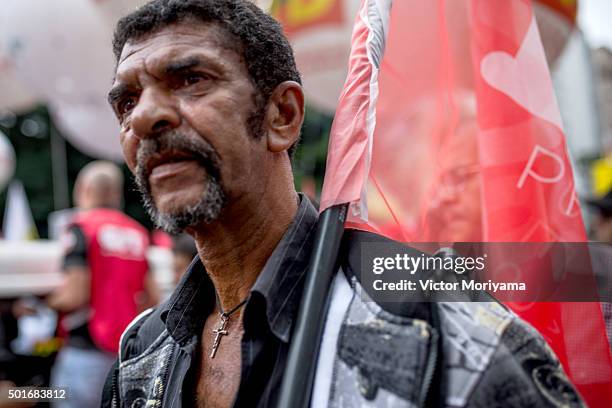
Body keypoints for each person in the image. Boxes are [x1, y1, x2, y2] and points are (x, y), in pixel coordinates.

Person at [102, 1, 584, 407]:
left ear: (282, 116)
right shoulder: (141, 353)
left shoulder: (434, 325)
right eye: (126, 102)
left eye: (190, 80)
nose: (144, 117)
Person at [47, 161, 158, 407]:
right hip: (126, 353)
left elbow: (75, 295)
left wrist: (41, 300)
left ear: (84, 189)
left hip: (85, 349)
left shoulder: (80, 228)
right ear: (116, 194)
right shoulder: (137, 232)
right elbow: (153, 298)